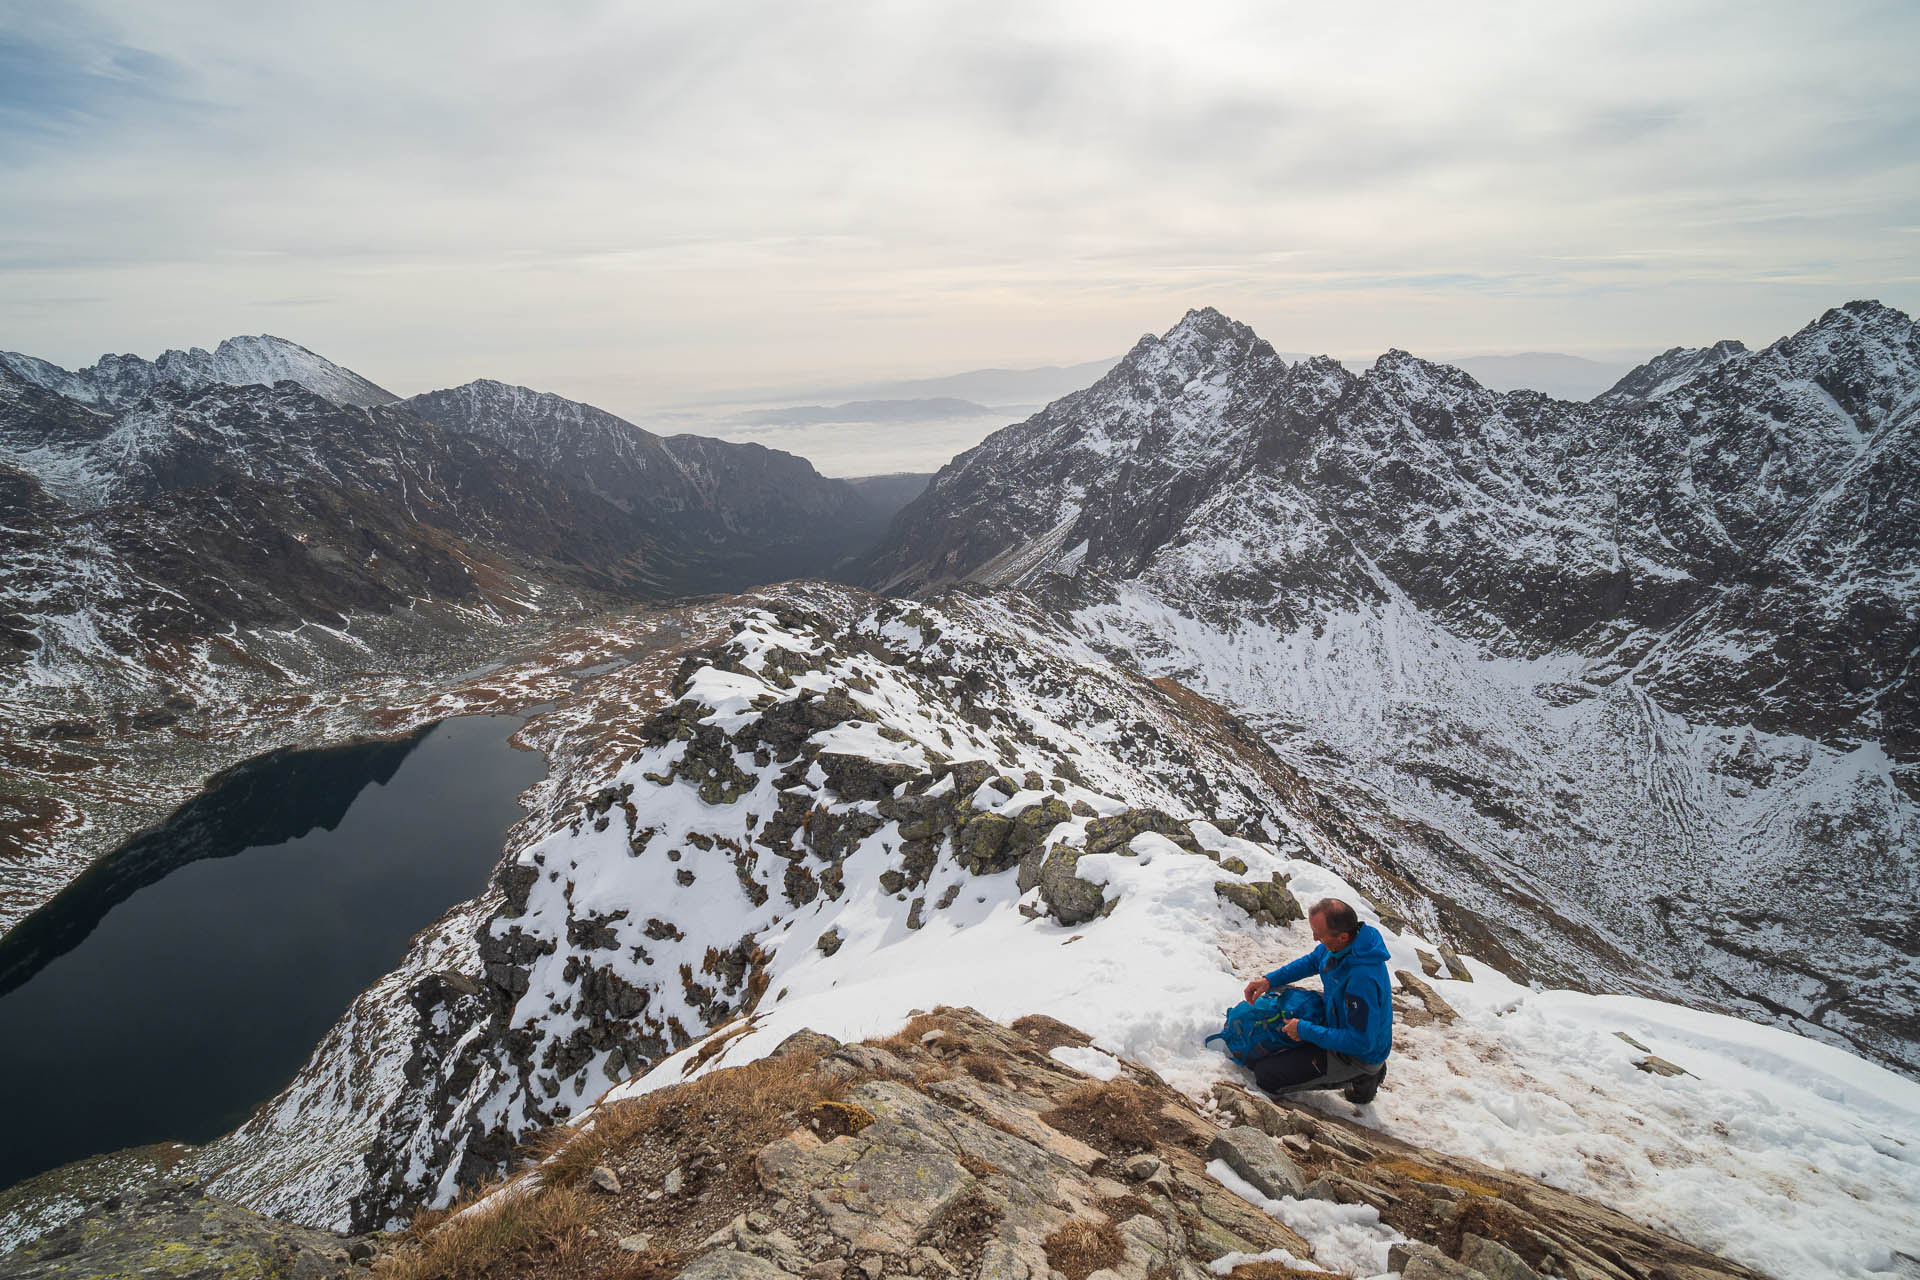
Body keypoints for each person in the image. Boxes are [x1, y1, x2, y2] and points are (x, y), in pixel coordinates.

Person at [1241, 898, 1393, 1104]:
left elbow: (1361, 1043)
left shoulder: (1362, 979)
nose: (1314, 938)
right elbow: (1313, 961)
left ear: (1342, 937)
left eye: (1319, 935)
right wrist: (1269, 980)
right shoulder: (1342, 946)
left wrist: (1304, 1030)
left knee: (1267, 1075)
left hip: (1358, 1055)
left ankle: (1364, 1076)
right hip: (1338, 1019)